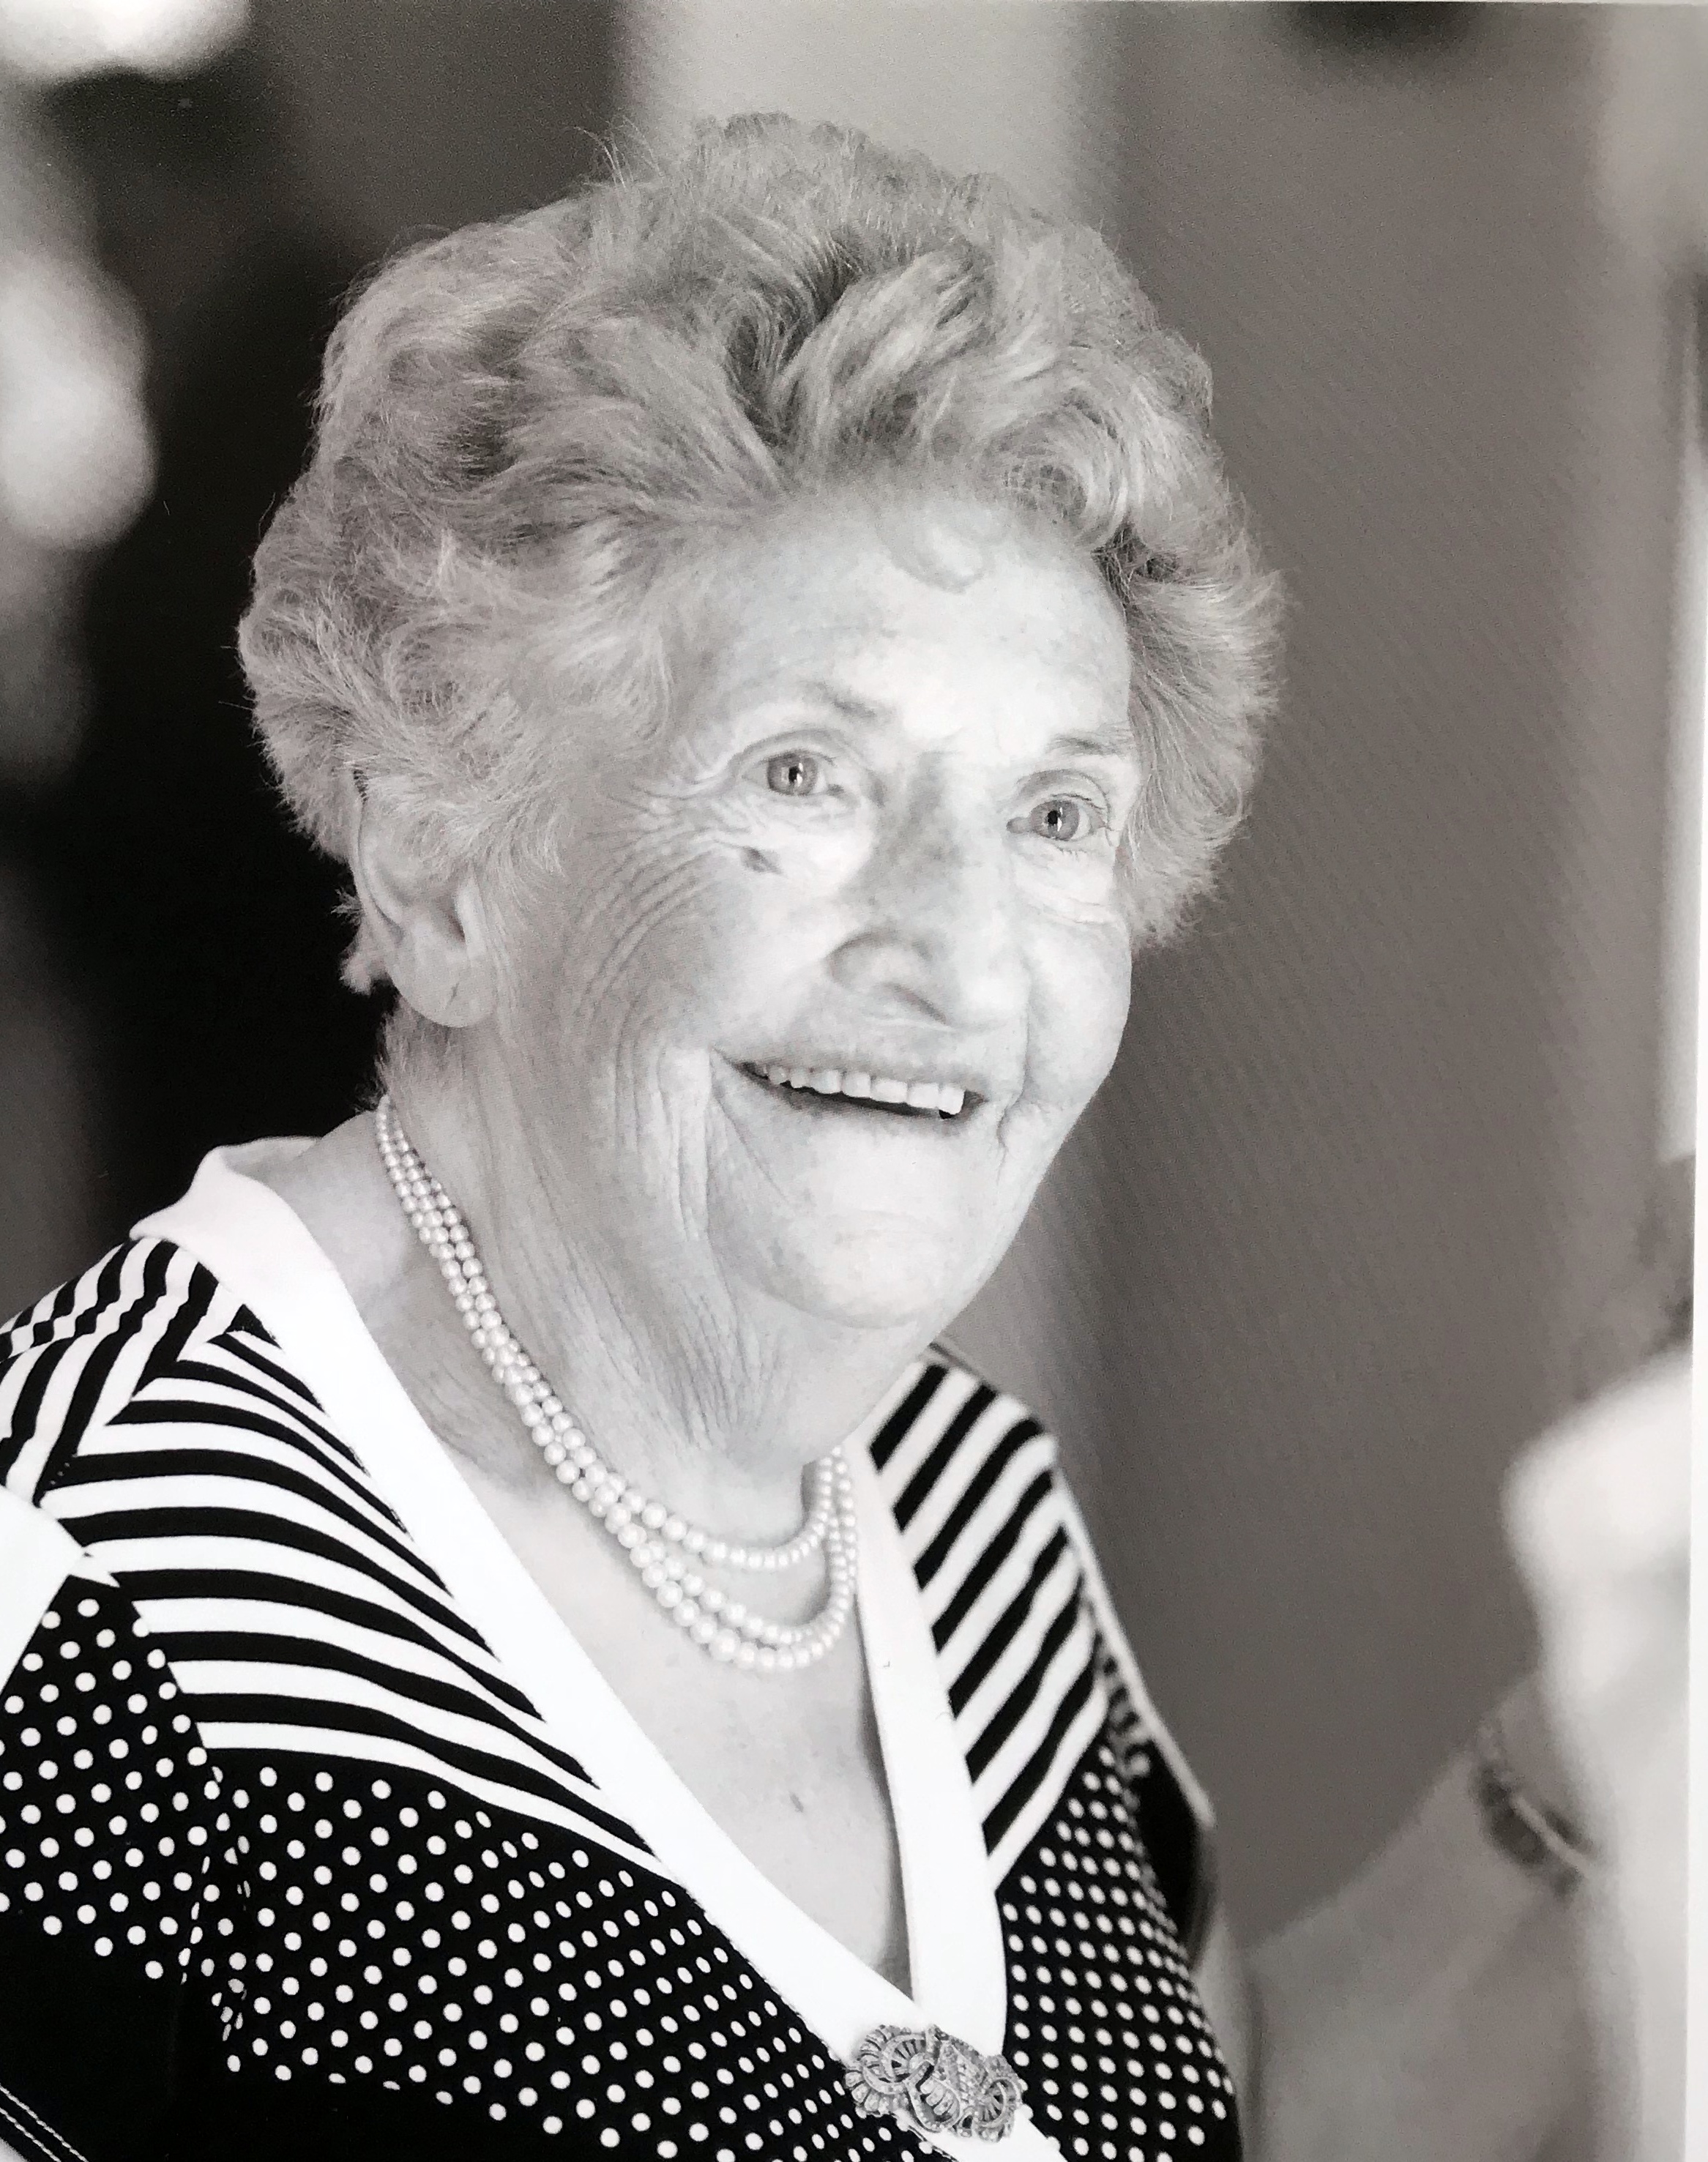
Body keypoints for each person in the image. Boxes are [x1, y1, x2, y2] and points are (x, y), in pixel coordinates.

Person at [0, 116, 1686, 2162]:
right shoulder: (94, 1602)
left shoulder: (964, 1502)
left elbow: (1213, 2125)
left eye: (1053, 815)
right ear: (446, 867)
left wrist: (1632, 1681)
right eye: (806, 775)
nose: (961, 955)